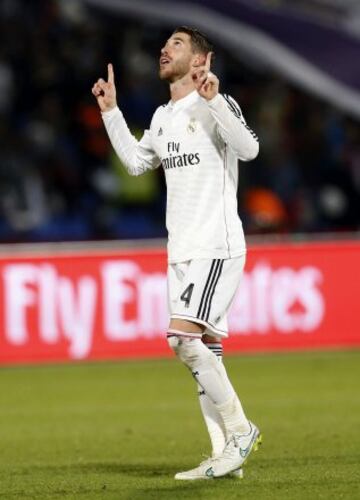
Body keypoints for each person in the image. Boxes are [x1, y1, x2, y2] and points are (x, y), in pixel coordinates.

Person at [92, 26, 261, 480]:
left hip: (216, 245)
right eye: (165, 44)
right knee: (204, 349)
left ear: (202, 59)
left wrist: (214, 101)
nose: (165, 49)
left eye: (178, 44)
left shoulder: (214, 105)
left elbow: (249, 149)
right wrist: (111, 112)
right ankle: (224, 453)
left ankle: (241, 432)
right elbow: (136, 162)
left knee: (181, 339)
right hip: (182, 250)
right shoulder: (164, 115)